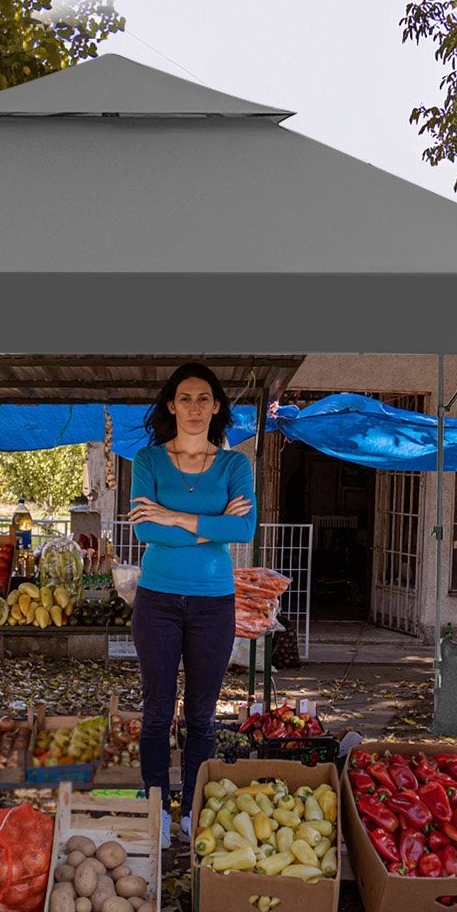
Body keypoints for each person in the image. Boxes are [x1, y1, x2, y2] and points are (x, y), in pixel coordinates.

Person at [129, 363, 256, 849]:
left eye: (204, 398)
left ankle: (194, 808)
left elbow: (242, 531)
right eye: (185, 398)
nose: (195, 407)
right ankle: (158, 808)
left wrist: (173, 514)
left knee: (202, 716)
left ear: (217, 406)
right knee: (157, 712)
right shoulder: (148, 460)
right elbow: (146, 530)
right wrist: (209, 521)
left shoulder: (234, 465)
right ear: (171, 405)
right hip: (157, 599)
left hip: (213, 602)